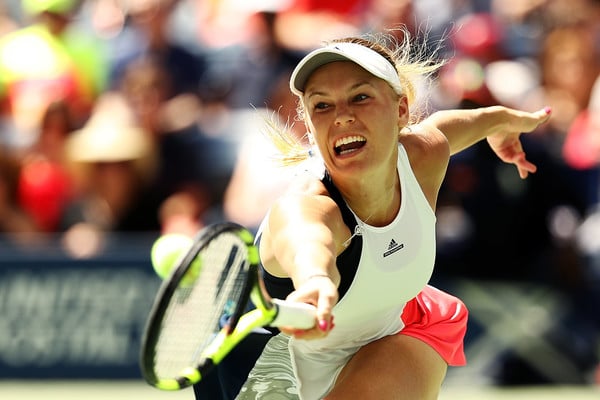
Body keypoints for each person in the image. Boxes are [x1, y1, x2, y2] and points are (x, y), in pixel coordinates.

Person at [234, 30, 552, 400]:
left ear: (401, 110)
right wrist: (315, 282)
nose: (341, 116)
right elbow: (308, 244)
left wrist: (503, 122)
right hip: (274, 376)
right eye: (322, 106)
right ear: (309, 124)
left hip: (390, 339)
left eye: (361, 97)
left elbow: (465, 123)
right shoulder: (305, 207)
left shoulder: (423, 155)